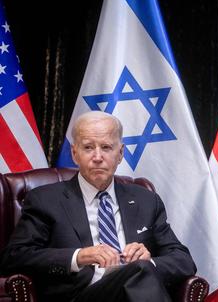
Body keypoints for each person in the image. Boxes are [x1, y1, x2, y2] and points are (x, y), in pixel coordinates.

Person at [0, 111, 196, 302]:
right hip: (82, 295)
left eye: (106, 147)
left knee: (140, 271)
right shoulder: (45, 200)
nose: (97, 156)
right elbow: (14, 257)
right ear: (74, 153)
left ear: (120, 154)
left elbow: (183, 260)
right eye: (88, 147)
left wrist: (149, 262)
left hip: (137, 292)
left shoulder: (146, 200)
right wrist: (79, 256)